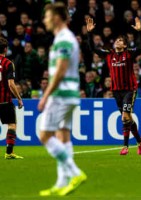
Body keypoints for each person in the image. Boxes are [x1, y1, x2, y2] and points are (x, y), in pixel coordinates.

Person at [37, 2, 87, 196]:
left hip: (61, 94)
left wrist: (46, 95)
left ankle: (75, 172)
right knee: (62, 136)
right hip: (70, 93)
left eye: (47, 16)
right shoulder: (65, 38)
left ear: (57, 17)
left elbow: (61, 70)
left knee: (44, 135)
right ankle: (61, 183)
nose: (45, 20)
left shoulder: (64, 39)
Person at [86, 17, 141, 155]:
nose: (117, 42)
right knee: (128, 117)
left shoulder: (128, 53)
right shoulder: (109, 54)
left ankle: (125, 146)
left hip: (129, 89)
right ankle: (139, 140)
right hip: (116, 91)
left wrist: (140, 32)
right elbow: (93, 49)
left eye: (120, 41)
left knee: (125, 117)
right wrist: (89, 33)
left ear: (124, 45)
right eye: (116, 40)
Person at [0, 36, 23, 159]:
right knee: (11, 124)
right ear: (5, 49)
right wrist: (19, 97)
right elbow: (10, 84)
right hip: (4, 100)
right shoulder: (8, 64)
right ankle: (9, 153)